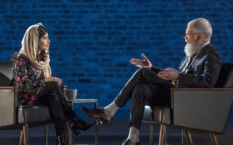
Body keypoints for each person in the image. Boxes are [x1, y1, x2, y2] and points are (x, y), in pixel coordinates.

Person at [81, 18, 221, 145]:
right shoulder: (191, 54)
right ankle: (133, 137)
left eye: (188, 34)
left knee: (142, 73)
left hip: (186, 101)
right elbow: (172, 77)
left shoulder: (211, 54)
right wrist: (151, 68)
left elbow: (208, 82)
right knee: (140, 88)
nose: (185, 37)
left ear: (199, 36)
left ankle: (109, 111)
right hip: (175, 96)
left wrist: (178, 76)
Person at [12, 23, 94, 145]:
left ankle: (60, 139)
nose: (49, 41)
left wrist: (48, 82)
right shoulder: (21, 60)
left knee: (53, 96)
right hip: (25, 98)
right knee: (53, 86)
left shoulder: (40, 60)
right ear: (35, 40)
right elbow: (24, 87)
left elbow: (40, 83)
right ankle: (74, 121)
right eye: (45, 37)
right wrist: (46, 80)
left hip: (38, 95)